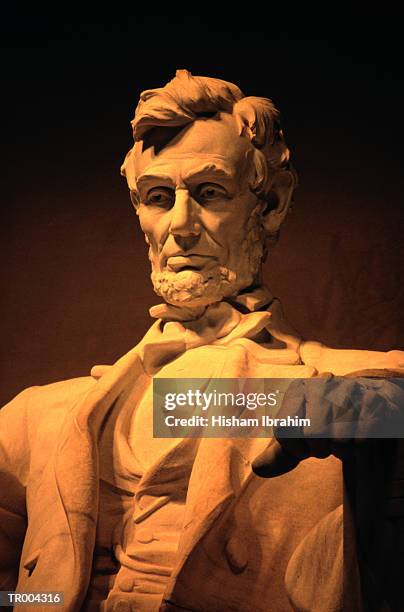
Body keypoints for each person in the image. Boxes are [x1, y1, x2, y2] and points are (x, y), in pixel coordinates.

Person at [1, 69, 403, 612]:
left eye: (210, 193)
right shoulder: (36, 419)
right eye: (159, 196)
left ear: (272, 204)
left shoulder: (368, 393)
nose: (181, 225)